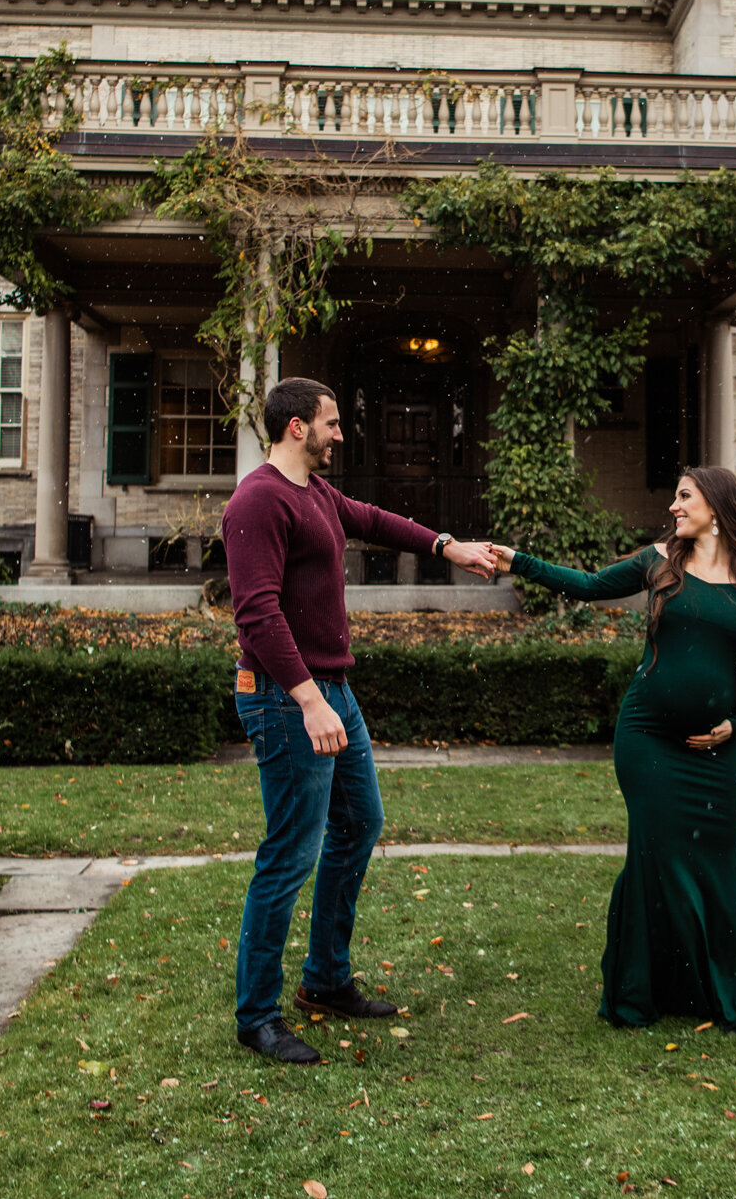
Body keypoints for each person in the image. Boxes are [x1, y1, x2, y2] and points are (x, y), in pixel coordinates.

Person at [221, 377, 498, 1065]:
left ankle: (326, 979)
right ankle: (256, 1015)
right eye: (332, 423)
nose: (340, 434)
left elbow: (373, 519)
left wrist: (448, 545)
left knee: (360, 823)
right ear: (295, 427)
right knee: (289, 852)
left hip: (330, 689)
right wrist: (310, 699)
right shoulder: (258, 500)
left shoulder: (315, 495)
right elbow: (256, 611)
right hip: (289, 698)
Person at [491, 466, 736, 1035]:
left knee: (716, 867)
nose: (674, 507)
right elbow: (588, 585)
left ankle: (716, 993)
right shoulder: (659, 561)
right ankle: (639, 991)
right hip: (647, 738)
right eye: (675, 497)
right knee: (657, 861)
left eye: (684, 497)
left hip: (715, 757)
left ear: (718, 507)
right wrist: (517, 561)